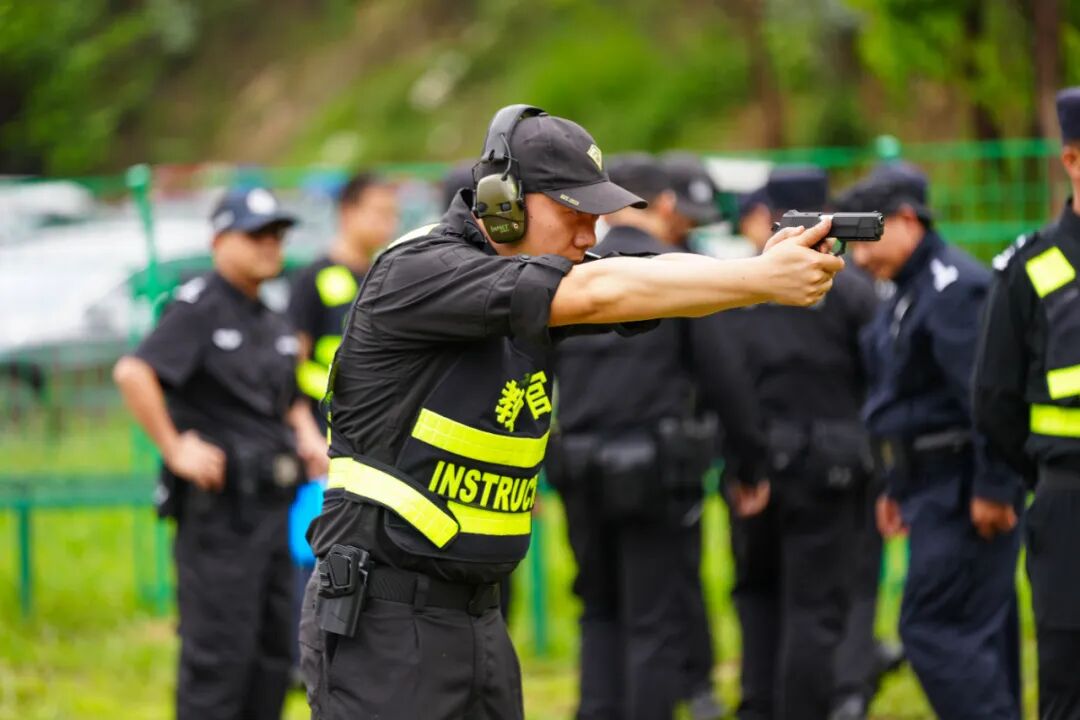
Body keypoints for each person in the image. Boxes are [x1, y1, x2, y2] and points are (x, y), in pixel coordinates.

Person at [300, 104, 844, 720]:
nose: (589, 236)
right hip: (385, 621)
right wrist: (760, 280)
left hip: (473, 616)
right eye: (574, 214)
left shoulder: (517, 273)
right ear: (503, 203)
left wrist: (760, 263)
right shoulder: (421, 269)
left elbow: (642, 272)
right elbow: (599, 290)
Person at [547, 153, 762, 720]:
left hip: (579, 467)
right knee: (652, 618)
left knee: (598, 611)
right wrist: (749, 464)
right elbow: (724, 379)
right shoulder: (675, 273)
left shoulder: (572, 275)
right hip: (653, 472)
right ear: (663, 204)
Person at [112, 187, 329, 720]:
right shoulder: (199, 308)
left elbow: (286, 398)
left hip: (273, 512)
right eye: (255, 235)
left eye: (276, 235)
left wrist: (305, 432)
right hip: (220, 521)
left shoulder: (271, 319)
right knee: (219, 663)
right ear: (218, 241)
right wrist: (174, 447)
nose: (269, 245)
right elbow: (134, 372)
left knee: (271, 659)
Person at [839, 166, 1024, 720]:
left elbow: (988, 398)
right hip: (931, 486)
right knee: (979, 631)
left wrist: (995, 488)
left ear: (905, 220)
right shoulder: (908, 290)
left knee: (933, 629)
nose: (857, 257)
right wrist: (896, 484)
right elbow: (906, 402)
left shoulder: (954, 290)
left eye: (865, 239)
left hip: (964, 487)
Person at [700, 166, 878, 720]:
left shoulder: (746, 287)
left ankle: (758, 706)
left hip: (756, 467)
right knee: (814, 607)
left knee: (756, 593)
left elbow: (725, 382)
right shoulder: (850, 290)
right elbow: (880, 377)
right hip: (830, 470)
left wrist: (742, 467)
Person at [973, 86, 1080, 719]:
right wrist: (1049, 472)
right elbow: (995, 400)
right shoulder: (1031, 268)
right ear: (1071, 159)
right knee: (1069, 679)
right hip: (1068, 504)